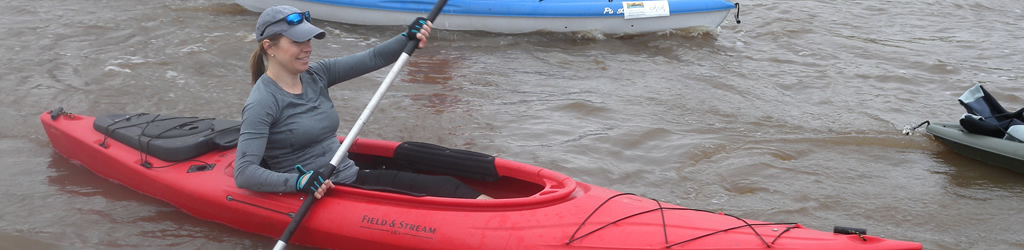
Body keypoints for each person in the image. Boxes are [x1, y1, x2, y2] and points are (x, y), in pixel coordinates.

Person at [235, 5, 491, 200]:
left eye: (308, 39)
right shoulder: (263, 101)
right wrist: (299, 182)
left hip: (347, 172)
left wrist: (408, 36)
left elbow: (373, 57)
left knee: (421, 155)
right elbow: (244, 173)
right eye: (297, 41)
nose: (307, 48)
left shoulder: (317, 75)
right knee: (446, 188)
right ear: (269, 46)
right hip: (327, 190)